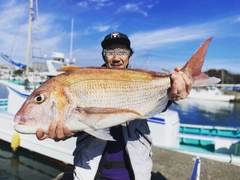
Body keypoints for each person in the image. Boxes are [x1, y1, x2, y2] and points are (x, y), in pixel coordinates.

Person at [37, 32, 192, 180]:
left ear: (130, 55)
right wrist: (67, 131)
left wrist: (174, 93)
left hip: (136, 171)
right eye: (110, 51)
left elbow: (156, 106)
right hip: (90, 170)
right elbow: (80, 121)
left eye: (122, 51)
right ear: (103, 55)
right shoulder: (87, 80)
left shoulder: (142, 80)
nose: (116, 57)